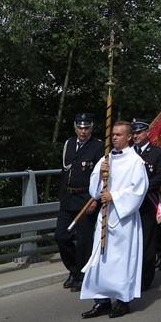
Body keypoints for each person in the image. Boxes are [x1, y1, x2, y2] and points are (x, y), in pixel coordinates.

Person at [80, 121, 148, 319]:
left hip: (124, 219)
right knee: (101, 260)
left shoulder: (136, 162)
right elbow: (94, 191)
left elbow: (139, 190)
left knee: (121, 261)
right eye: (113, 134)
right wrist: (100, 175)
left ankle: (122, 301)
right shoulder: (106, 159)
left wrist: (115, 196)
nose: (114, 138)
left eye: (119, 134)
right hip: (105, 216)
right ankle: (101, 301)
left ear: (129, 137)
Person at [56, 113, 104, 292]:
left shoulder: (98, 146)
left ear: (92, 128)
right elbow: (65, 172)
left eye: (86, 128)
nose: (83, 131)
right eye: (80, 127)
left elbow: (101, 176)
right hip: (68, 198)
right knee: (61, 236)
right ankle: (73, 269)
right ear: (75, 127)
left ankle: (82, 275)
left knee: (84, 239)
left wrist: (94, 199)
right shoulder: (69, 144)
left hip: (86, 199)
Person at [130, 118, 161, 291]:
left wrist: (142, 188)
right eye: (134, 133)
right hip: (130, 205)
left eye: (139, 132)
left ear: (147, 132)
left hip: (147, 203)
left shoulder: (157, 153)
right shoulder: (128, 153)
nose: (136, 136)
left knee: (147, 243)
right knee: (132, 243)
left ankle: (145, 278)